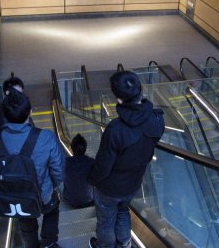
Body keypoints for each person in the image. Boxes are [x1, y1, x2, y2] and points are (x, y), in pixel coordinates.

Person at [0, 89, 64, 248]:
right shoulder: (45, 137)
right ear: (30, 112)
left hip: (16, 196)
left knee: (26, 221)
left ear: (4, 114)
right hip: (43, 194)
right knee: (52, 210)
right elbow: (58, 170)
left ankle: (32, 245)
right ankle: (49, 243)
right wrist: (57, 185)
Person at [88, 71, 165, 248]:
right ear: (140, 91)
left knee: (106, 221)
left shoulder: (115, 129)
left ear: (119, 100)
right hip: (133, 183)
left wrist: (91, 179)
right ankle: (124, 244)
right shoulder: (157, 119)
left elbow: (103, 165)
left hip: (109, 187)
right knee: (123, 211)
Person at [62, 133, 95, 208]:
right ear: (85, 148)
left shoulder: (64, 162)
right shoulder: (91, 162)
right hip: (89, 200)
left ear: (72, 148)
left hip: (70, 201)